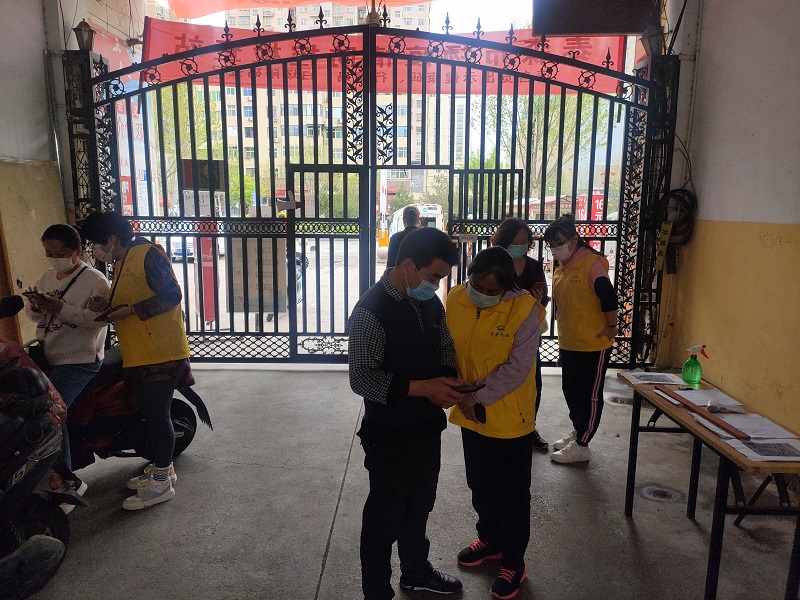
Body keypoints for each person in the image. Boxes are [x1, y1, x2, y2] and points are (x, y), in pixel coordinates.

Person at [348, 227, 465, 600]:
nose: (436, 285)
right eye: (434, 276)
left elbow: (444, 344)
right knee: (384, 517)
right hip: (389, 435)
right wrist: (425, 388)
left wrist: (448, 377)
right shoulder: (371, 311)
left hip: (426, 429)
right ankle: (376, 590)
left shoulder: (429, 302)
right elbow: (362, 378)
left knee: (420, 506)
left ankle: (415, 571)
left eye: (441, 278)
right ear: (409, 266)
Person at [446, 247, 544, 600]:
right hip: (469, 412)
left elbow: (517, 367)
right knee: (480, 483)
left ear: (508, 287)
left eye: (493, 291)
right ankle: (490, 540)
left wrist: (478, 396)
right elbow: (448, 345)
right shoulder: (455, 298)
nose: (483, 295)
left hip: (508, 416)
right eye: (478, 286)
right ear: (469, 276)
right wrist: (455, 385)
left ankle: (513, 561)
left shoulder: (525, 310)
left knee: (512, 492)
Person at [81, 211, 193, 510]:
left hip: (161, 351)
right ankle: (163, 468)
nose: (94, 249)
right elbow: (134, 297)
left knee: (158, 416)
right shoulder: (121, 261)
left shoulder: (148, 254)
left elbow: (172, 295)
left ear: (111, 238)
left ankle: (161, 483)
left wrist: (130, 311)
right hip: (139, 351)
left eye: (95, 243)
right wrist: (108, 305)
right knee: (149, 414)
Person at [23, 224, 110, 499]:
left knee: (52, 414)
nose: (54, 258)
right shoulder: (47, 277)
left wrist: (62, 309)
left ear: (77, 250)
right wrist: (35, 307)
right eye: (48, 253)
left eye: (60, 253)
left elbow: (99, 321)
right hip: (49, 355)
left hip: (80, 359)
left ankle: (66, 482)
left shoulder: (95, 280)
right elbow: (36, 317)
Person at [543, 214, 618, 464]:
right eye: (552, 244)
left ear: (574, 239)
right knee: (571, 390)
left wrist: (611, 326)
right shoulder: (563, 265)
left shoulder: (592, 263)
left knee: (590, 395)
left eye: (559, 242)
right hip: (570, 342)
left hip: (593, 343)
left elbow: (608, 296)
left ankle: (583, 443)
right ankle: (578, 430)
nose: (556, 248)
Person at [491, 217, 550, 451]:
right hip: (498, 331)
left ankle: (529, 426)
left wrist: (537, 300)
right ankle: (497, 424)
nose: (520, 245)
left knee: (532, 380)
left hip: (527, 330)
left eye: (524, 241)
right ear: (505, 241)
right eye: (515, 241)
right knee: (501, 374)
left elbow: (544, 296)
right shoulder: (494, 264)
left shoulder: (533, 266)